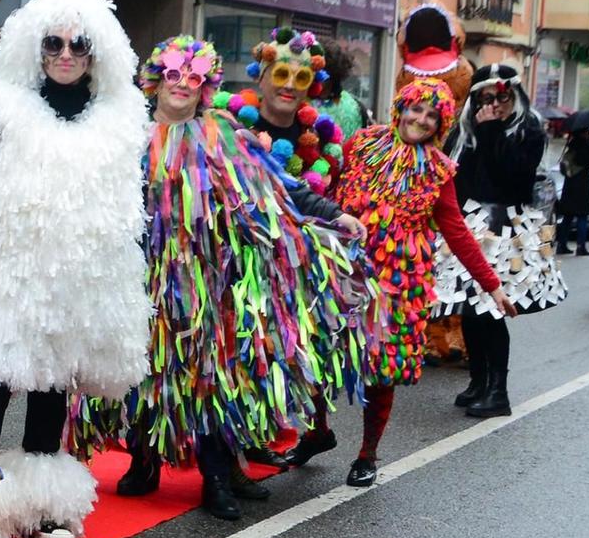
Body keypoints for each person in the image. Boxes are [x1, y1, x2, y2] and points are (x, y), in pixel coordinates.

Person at [71, 37, 366, 521]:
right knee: (143, 370)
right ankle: (144, 461)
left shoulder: (222, 137)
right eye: (172, 76)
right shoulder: (129, 137)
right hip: (139, 276)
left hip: (209, 279)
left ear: (205, 87)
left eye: (192, 79)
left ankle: (214, 476)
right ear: (155, 82)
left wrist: (334, 214)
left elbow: (278, 191)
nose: (181, 86)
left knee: (208, 375)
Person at [0, 0, 148, 538]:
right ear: (34, 48)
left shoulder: (121, 118)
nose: (66, 53)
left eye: (79, 44)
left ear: (97, 54)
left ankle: (45, 509)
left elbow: (127, 205)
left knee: (51, 393)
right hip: (4, 275)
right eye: (54, 43)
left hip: (77, 286)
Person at [337, 76, 516, 487]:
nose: (421, 119)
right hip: (343, 272)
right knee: (321, 356)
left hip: (398, 285)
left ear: (442, 124)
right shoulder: (362, 144)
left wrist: (492, 286)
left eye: (432, 114)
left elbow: (456, 231)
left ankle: (367, 454)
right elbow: (328, 190)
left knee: (380, 369)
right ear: (400, 108)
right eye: (416, 109)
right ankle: (316, 434)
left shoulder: (438, 172)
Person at [219, 25, 353, 469]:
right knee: (245, 346)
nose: (288, 88)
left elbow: (305, 191)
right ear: (260, 77)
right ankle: (243, 437)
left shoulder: (321, 139)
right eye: (280, 75)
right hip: (239, 254)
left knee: (293, 345)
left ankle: (299, 428)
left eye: (300, 80)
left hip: (295, 260)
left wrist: (336, 216)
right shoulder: (236, 126)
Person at [430, 64, 565, 420]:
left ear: (514, 96)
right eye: (486, 98)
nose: (495, 104)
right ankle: (478, 381)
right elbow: (459, 181)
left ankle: (498, 391)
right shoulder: (464, 132)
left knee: (491, 311)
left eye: (501, 96)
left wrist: (490, 132)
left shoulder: (529, 130)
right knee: (470, 311)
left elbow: (513, 181)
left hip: (506, 230)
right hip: (470, 227)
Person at [557, 126, 589, 257]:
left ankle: (561, 244)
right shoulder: (586, 147)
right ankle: (581, 246)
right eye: (587, 132)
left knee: (568, 216)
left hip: (569, 185)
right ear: (584, 133)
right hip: (582, 185)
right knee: (582, 216)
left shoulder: (572, 146)